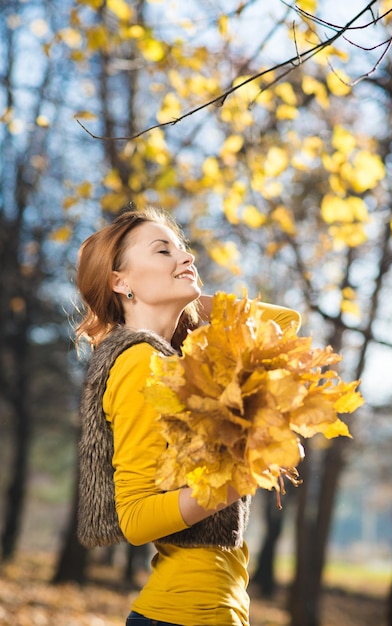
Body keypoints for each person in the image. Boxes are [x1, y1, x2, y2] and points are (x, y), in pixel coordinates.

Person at [76, 206, 301, 626]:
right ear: (119, 280)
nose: (187, 257)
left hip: (207, 610)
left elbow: (286, 325)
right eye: (163, 250)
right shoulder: (141, 362)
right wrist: (244, 476)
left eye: (184, 249)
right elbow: (137, 518)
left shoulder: (177, 360)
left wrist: (188, 299)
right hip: (185, 613)